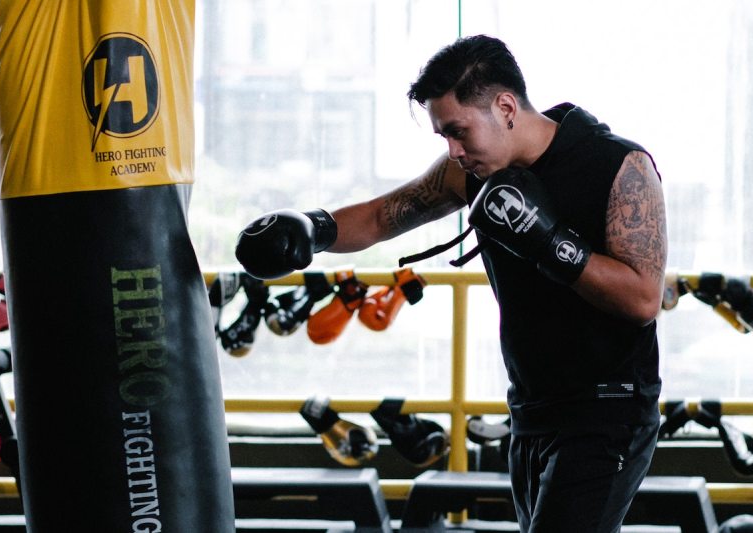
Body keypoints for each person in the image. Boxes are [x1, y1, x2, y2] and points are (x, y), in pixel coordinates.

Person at [235, 34, 667, 533]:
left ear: (505, 107)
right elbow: (382, 216)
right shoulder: (474, 173)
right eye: (444, 136)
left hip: (608, 409)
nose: (454, 151)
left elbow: (642, 299)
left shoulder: (617, 165)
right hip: (532, 407)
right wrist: (314, 230)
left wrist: (549, 242)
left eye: (459, 132)